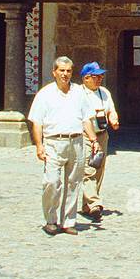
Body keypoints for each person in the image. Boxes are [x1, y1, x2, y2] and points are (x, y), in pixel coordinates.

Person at [28, 56, 100, 237]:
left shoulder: (79, 93)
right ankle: (50, 220)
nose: (65, 74)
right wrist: (39, 146)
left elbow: (86, 119)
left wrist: (93, 140)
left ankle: (68, 221)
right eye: (61, 70)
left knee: (73, 183)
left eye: (68, 71)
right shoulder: (44, 94)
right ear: (54, 72)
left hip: (76, 142)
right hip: (53, 142)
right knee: (52, 182)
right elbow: (37, 122)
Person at [79, 61, 119, 222]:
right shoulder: (78, 94)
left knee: (99, 168)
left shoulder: (104, 92)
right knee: (87, 169)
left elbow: (111, 109)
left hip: (102, 134)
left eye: (101, 76)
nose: (100, 79)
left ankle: (87, 205)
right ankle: (95, 203)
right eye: (96, 76)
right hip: (84, 135)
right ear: (86, 78)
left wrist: (114, 118)